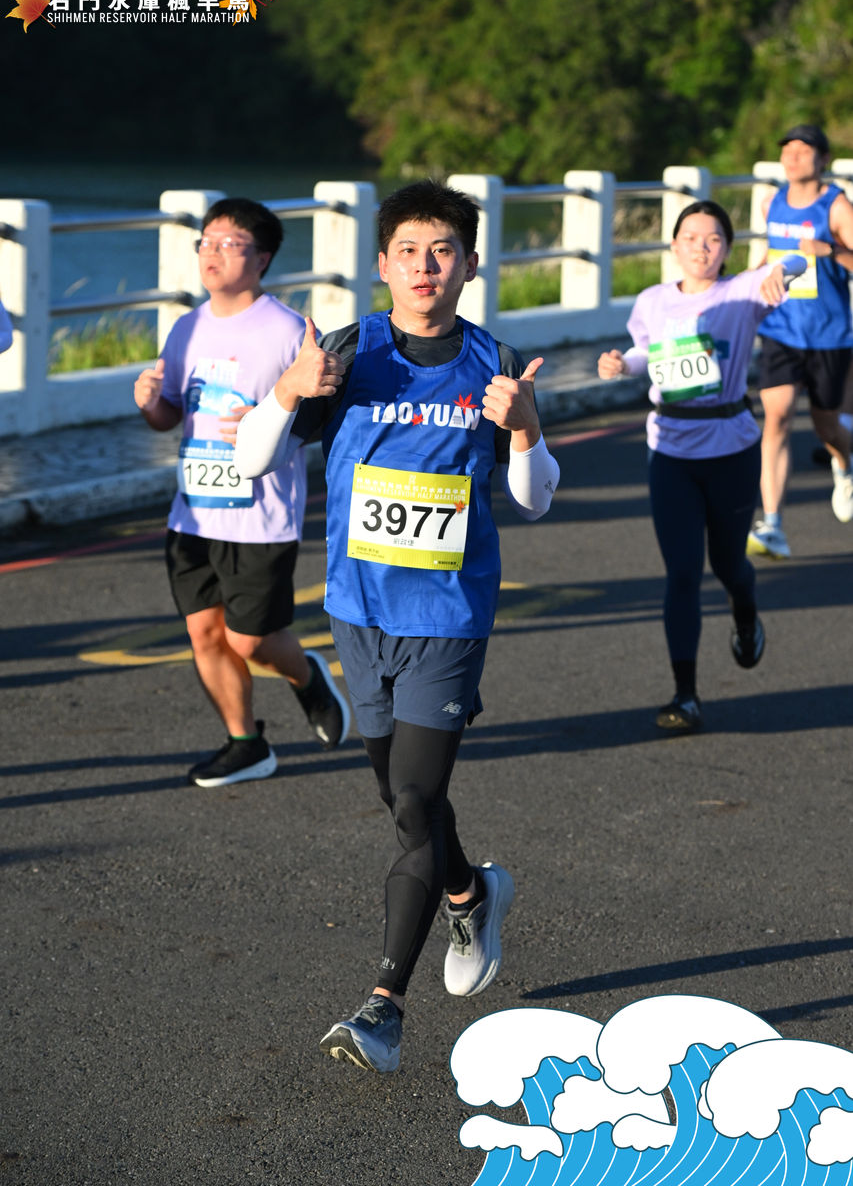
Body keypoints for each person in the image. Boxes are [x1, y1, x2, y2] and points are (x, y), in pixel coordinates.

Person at [235, 180, 560, 1073]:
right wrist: (287, 391)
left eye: (442, 251)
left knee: (415, 799)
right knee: (403, 800)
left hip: (448, 619)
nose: (425, 267)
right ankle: (469, 893)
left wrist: (525, 430)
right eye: (409, 251)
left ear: (469, 265)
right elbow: (253, 459)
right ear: (382, 264)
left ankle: (382, 1007)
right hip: (357, 613)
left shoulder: (494, 365)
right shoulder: (345, 354)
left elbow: (534, 500)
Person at [133, 197, 349, 788]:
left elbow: (320, 418)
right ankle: (246, 743)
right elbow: (170, 415)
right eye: (205, 242)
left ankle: (306, 674)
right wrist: (148, 403)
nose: (212, 254)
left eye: (229, 244)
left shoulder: (287, 331)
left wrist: (267, 418)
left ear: (263, 258)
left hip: (261, 515)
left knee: (249, 639)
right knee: (204, 634)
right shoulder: (187, 327)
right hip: (193, 513)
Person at [598, 200, 800, 733]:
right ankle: (685, 695)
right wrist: (621, 363)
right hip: (671, 449)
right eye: (690, 238)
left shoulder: (743, 292)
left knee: (729, 565)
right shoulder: (653, 300)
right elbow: (645, 352)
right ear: (674, 245)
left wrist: (782, 269)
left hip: (731, 446)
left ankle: (745, 613)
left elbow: (795, 263)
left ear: (727, 248)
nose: (701, 248)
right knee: (683, 573)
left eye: (713, 239)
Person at [747, 124, 853, 560]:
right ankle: (772, 525)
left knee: (827, 427)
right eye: (786, 150)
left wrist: (832, 252)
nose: (792, 157)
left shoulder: (837, 206)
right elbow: (770, 256)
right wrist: (744, 288)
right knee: (777, 417)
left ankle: (844, 463)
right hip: (780, 330)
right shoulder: (772, 202)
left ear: (823, 159)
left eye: (802, 150)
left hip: (828, 335)